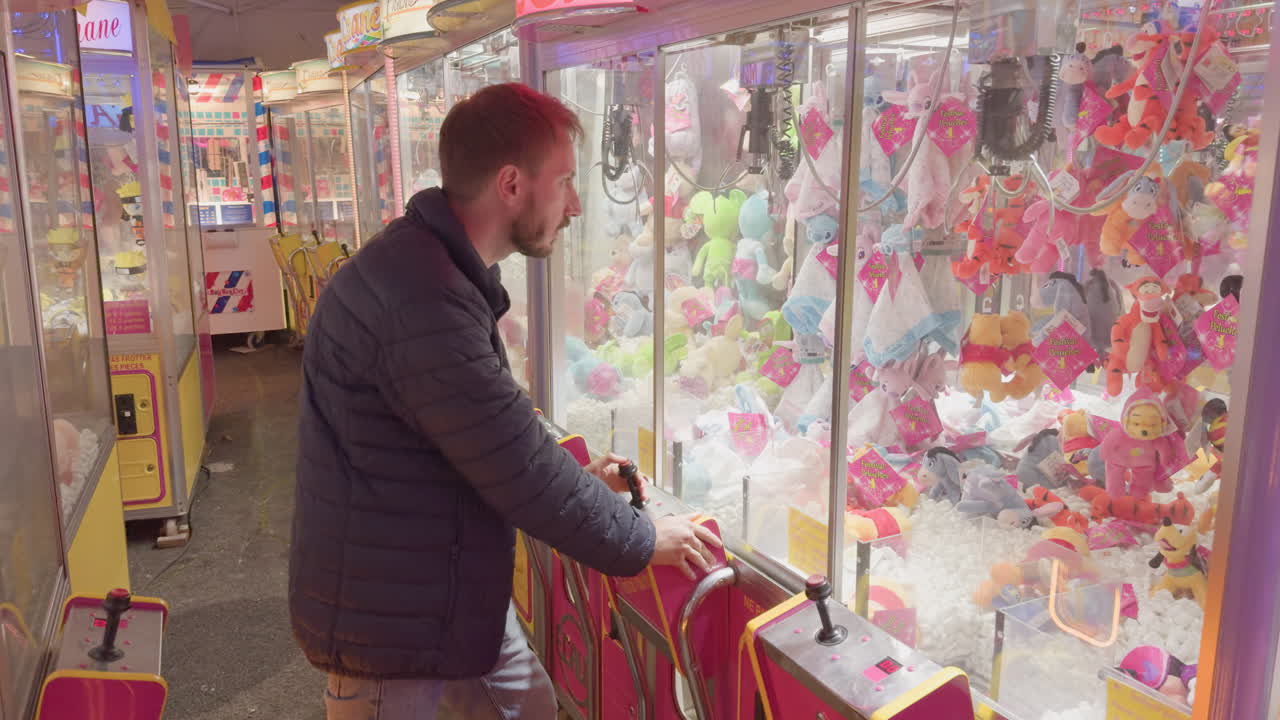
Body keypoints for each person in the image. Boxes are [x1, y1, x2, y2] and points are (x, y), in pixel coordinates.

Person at [289, 82, 721, 720]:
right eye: (566, 181)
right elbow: (513, 464)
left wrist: (574, 477)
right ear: (512, 184)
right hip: (388, 623)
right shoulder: (420, 299)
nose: (575, 204)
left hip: (447, 591)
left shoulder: (435, 269)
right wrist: (639, 537)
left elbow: (479, 431)